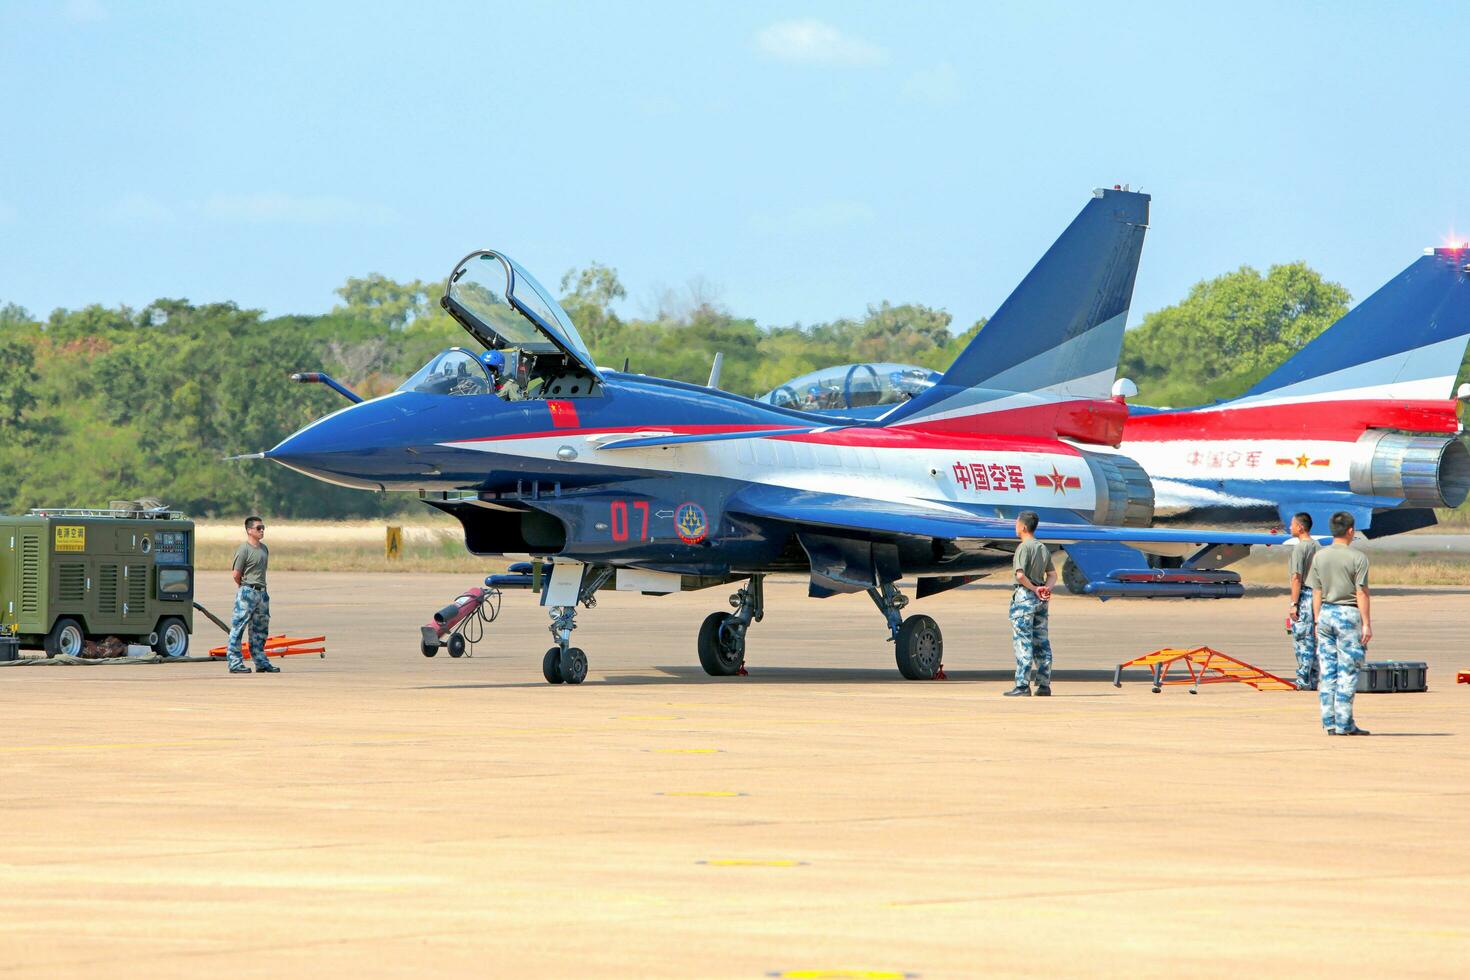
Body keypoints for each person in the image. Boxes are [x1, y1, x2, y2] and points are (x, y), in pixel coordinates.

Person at [1308, 511, 1371, 735]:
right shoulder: (1358, 558)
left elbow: (1316, 591)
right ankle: (1345, 723)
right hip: (1348, 614)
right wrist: (1366, 623)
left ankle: (1329, 721)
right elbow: (1361, 593)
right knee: (1348, 669)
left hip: (1325, 613)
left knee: (1327, 670)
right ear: (1351, 531)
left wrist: (1316, 621)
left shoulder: (1319, 556)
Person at [1005, 510, 1056, 697]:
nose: (1015, 526)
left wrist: (1034, 589)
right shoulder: (1043, 548)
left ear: (1023, 526)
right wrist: (1045, 589)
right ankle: (1044, 684)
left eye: (1017, 522)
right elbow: (1052, 575)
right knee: (1041, 641)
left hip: (1025, 598)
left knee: (1023, 641)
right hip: (1041, 601)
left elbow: (1020, 575)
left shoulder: (1023, 548)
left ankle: (1022, 685)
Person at [226, 516, 279, 674]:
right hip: (247, 591)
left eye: (263, 528)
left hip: (262, 593)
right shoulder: (244, 549)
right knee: (238, 628)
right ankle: (235, 662)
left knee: (260, 630)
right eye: (258, 528)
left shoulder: (264, 549)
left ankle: (261, 661)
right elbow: (236, 573)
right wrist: (244, 588)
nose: (262, 530)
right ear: (249, 530)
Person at [1286, 512, 1320, 690]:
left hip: (1305, 597)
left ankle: (1303, 681)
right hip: (1317, 596)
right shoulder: (1317, 546)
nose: (1290, 527)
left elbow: (1296, 578)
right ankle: (1313, 680)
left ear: (1300, 527)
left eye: (1292, 524)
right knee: (1313, 642)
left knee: (1302, 640)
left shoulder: (1300, 549)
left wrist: (1294, 604)